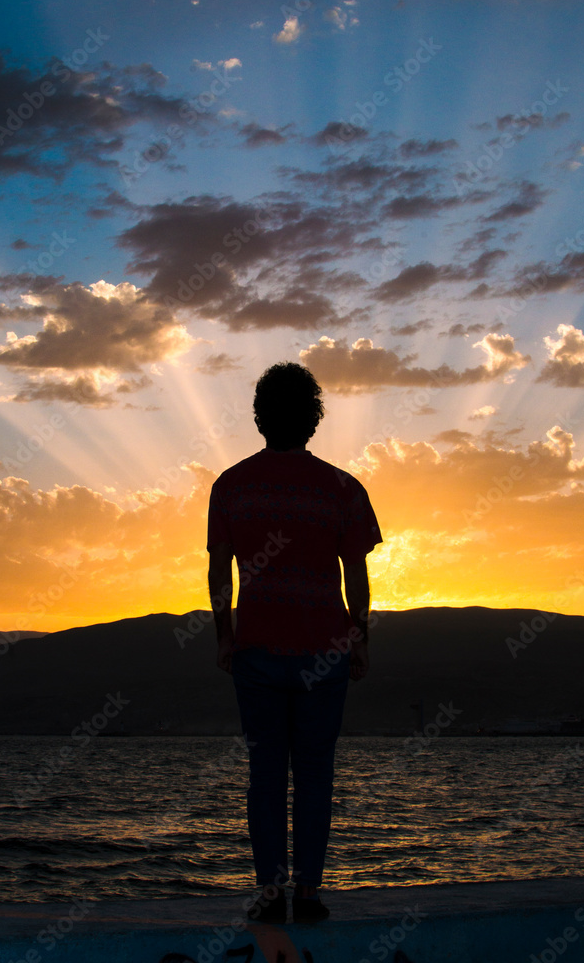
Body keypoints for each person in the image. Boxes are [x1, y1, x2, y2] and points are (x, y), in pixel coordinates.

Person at [206, 362, 382, 924]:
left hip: (256, 649)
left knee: (265, 775)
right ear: (313, 419)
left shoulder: (230, 485)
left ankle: (269, 894)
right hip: (324, 652)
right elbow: (356, 574)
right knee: (313, 774)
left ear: (259, 417)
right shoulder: (343, 487)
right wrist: (358, 639)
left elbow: (219, 575)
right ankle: (307, 896)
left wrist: (225, 638)